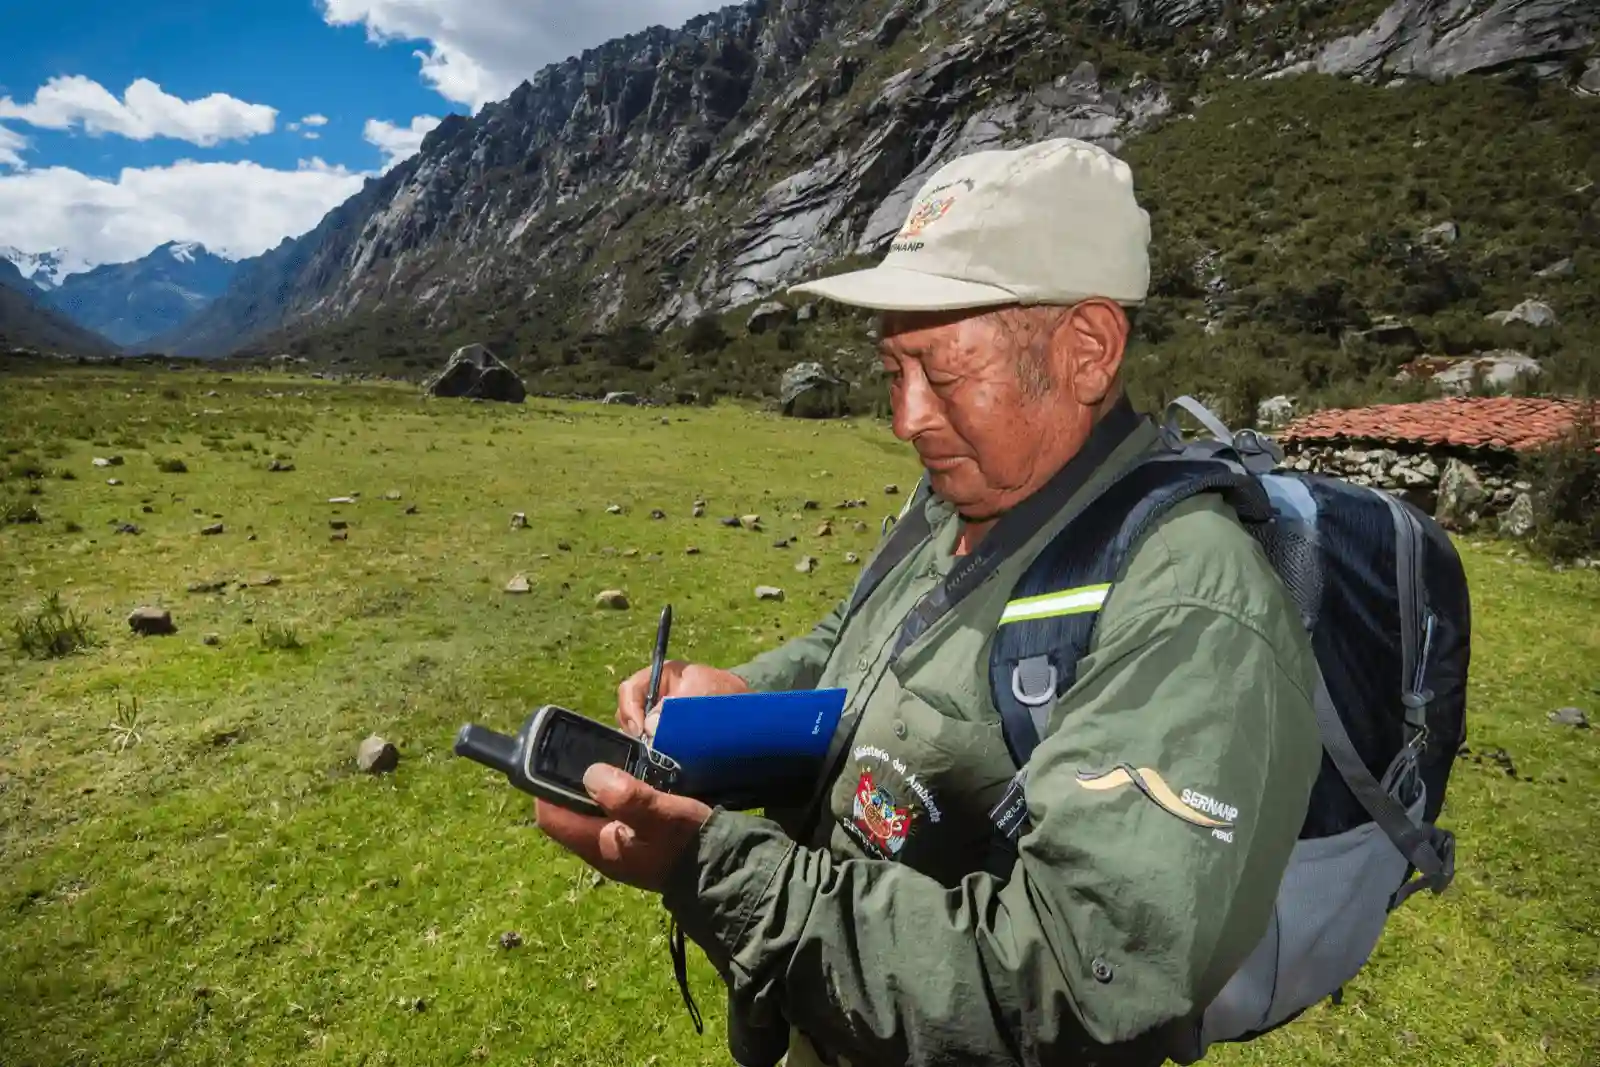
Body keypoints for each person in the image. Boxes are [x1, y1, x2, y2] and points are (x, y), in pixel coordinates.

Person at [535, 137, 1324, 1067]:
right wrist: (741, 689)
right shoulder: (959, 495)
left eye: (943, 371)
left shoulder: (1192, 606)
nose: (906, 416)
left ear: (1087, 351)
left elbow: (1078, 987)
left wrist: (708, 870)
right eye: (892, 372)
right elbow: (863, 641)